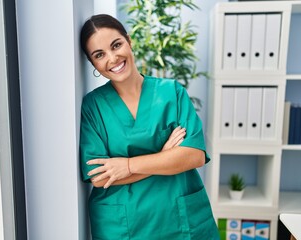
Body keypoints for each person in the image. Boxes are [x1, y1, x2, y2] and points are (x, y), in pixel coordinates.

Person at [79, 14, 219, 240]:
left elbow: (194, 155)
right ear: (93, 63)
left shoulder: (171, 92)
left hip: (180, 219)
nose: (113, 58)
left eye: (117, 45)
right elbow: (100, 176)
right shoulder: (93, 106)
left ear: (129, 41)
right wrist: (164, 156)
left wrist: (127, 165)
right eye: (99, 55)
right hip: (123, 226)